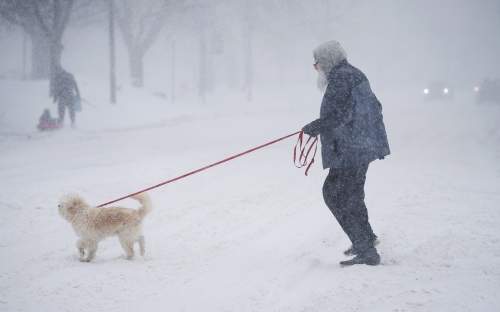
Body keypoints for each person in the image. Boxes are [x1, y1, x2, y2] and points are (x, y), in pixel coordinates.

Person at [302, 41, 390, 266]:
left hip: (353, 148)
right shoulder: (352, 74)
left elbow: (340, 114)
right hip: (361, 145)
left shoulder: (341, 78)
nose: (318, 68)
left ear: (328, 60)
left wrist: (317, 126)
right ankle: (366, 238)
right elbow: (373, 107)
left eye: (318, 64)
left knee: (334, 193)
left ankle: (366, 250)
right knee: (351, 195)